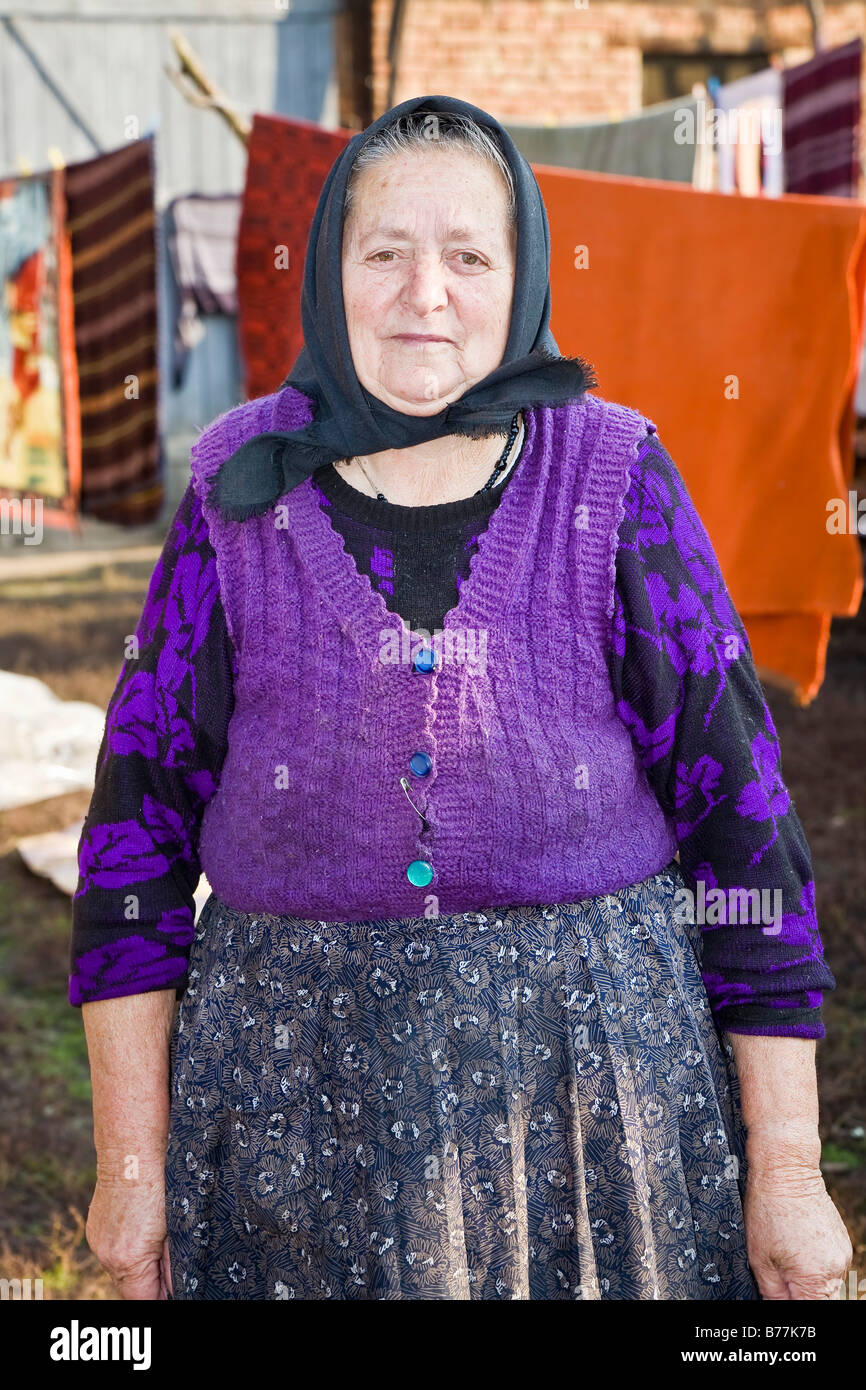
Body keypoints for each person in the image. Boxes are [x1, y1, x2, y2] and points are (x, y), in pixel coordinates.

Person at [71, 94, 851, 1302]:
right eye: (383, 251)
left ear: (521, 275)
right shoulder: (236, 483)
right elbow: (134, 837)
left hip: (601, 1143)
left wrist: (788, 1170)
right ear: (330, 272)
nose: (422, 292)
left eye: (466, 255)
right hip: (286, 1139)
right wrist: (132, 1166)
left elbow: (742, 829)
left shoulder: (614, 475)